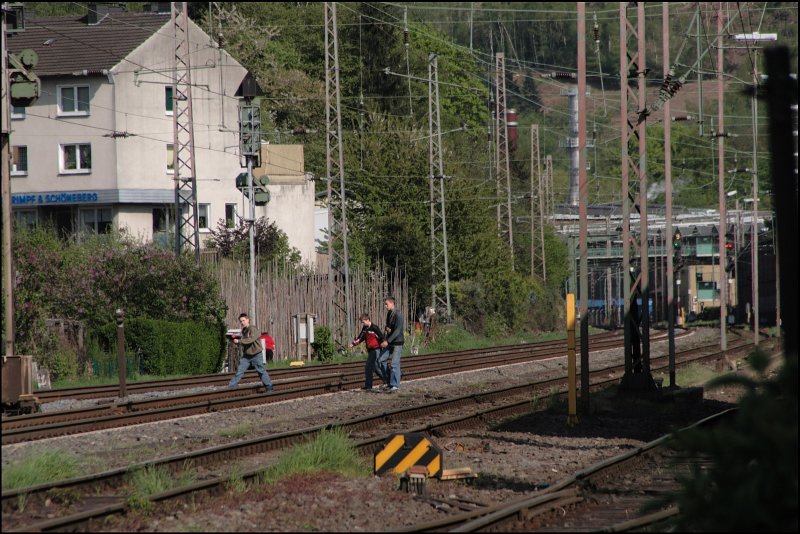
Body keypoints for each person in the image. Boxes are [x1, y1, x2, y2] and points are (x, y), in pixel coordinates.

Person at [229, 313, 273, 392]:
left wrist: (239, 341)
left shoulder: (253, 329)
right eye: (241, 321)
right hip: (247, 355)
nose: (242, 322)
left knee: (261, 371)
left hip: (256, 354)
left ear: (248, 320)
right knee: (240, 370)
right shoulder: (244, 330)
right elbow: (244, 340)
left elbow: (251, 340)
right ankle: (231, 386)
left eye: (243, 320)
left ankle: (269, 386)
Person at [351, 313, 386, 391]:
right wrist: (353, 344)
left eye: (363, 322)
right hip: (370, 350)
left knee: (373, 366)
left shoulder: (374, 328)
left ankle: (383, 382)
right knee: (372, 367)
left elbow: (381, 337)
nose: (362, 324)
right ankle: (371, 385)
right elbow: (361, 337)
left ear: (367, 320)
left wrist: (383, 345)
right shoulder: (365, 329)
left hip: (376, 350)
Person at [378, 296, 404, 392]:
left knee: (394, 364)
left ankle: (395, 385)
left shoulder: (398, 315)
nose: (385, 306)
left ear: (392, 303)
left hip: (397, 342)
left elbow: (398, 330)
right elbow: (389, 327)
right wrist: (387, 330)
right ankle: (388, 381)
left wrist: (387, 341)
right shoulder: (389, 314)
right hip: (390, 341)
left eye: (386, 304)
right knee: (381, 360)